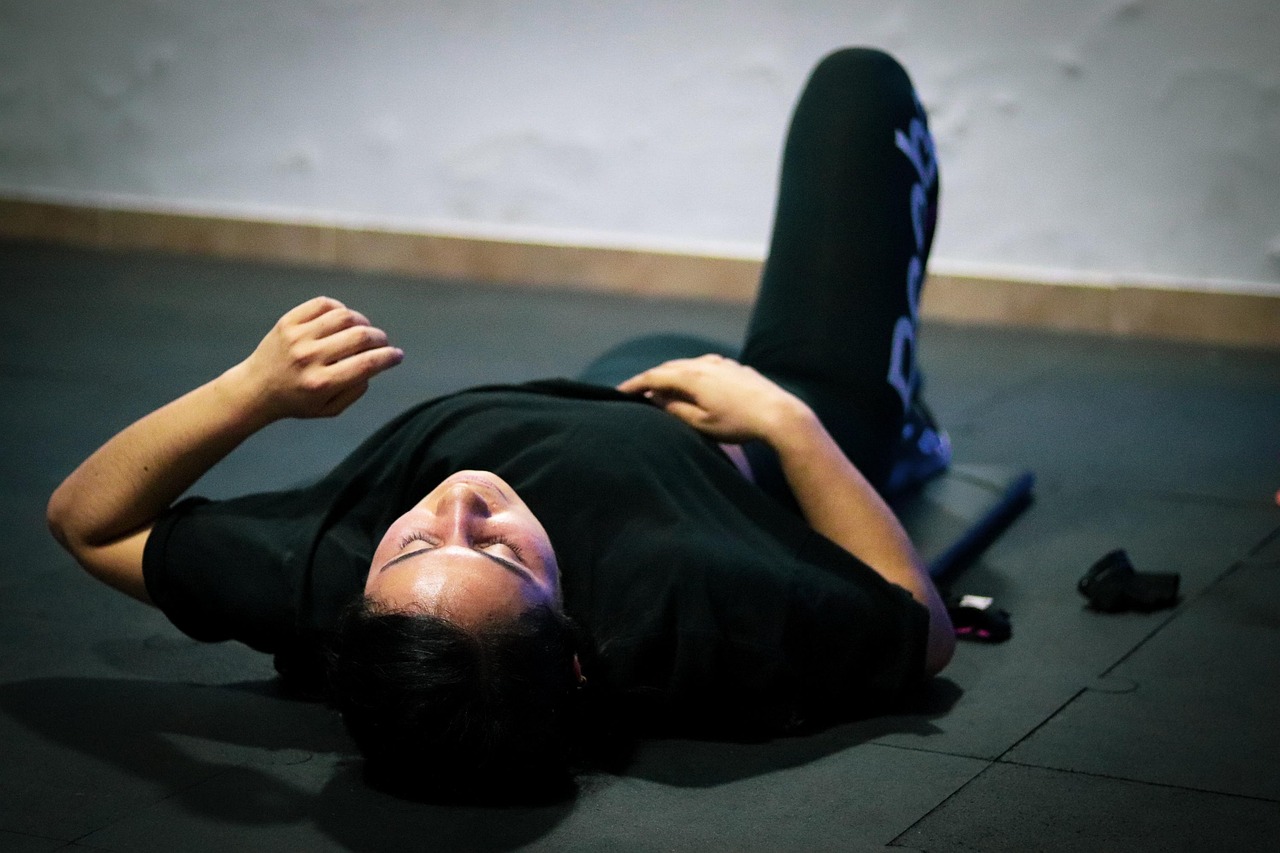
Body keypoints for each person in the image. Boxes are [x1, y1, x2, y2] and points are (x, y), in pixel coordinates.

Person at [47, 47, 954, 801]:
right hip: (757, 431)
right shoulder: (691, 602)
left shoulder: (321, 580)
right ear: (571, 649)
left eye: (412, 546)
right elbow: (925, 632)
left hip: (610, 387)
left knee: (655, 344)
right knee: (859, 86)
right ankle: (902, 432)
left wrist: (250, 391)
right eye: (501, 553)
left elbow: (87, 523)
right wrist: (789, 423)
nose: (460, 505)